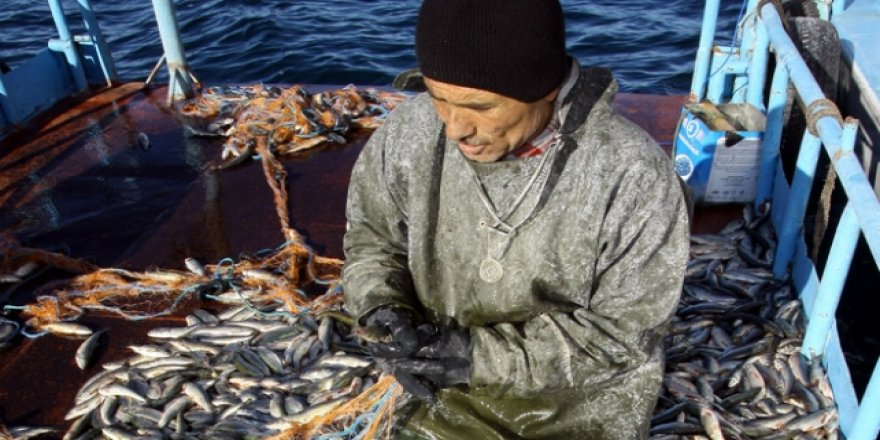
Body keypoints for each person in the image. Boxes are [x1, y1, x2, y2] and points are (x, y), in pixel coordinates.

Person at [342, 0, 690, 438]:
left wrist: (475, 357)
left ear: (545, 89)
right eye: (438, 98)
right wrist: (382, 309)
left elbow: (625, 335)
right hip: (436, 393)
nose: (455, 128)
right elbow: (372, 240)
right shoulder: (409, 132)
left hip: (576, 409)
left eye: (480, 107)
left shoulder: (633, 173)